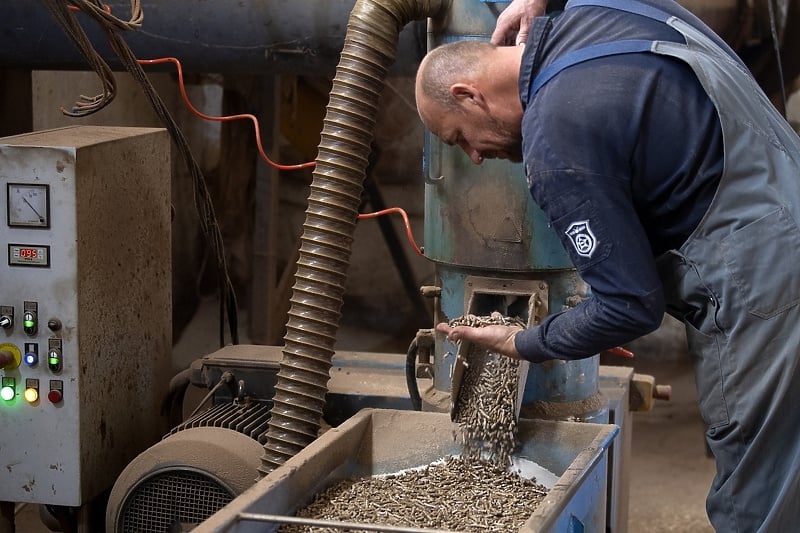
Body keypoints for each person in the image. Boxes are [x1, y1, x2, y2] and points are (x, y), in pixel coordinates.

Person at [416, 0, 800, 530]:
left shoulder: (555, 143)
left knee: (760, 496)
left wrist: (524, 342)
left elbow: (630, 306)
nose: (474, 158)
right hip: (785, 205)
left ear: (468, 95)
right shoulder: (600, 12)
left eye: (459, 139)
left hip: (767, 286)